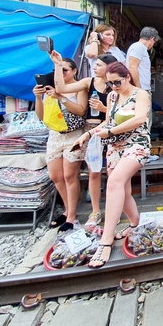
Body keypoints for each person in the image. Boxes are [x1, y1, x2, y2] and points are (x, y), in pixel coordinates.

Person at [75, 62, 152, 268]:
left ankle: (106, 240)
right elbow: (108, 121)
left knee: (114, 183)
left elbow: (139, 119)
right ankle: (135, 223)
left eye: (117, 82)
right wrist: (88, 134)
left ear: (127, 77)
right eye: (110, 83)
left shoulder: (141, 94)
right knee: (122, 191)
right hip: (114, 146)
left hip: (137, 144)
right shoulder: (111, 96)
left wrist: (109, 132)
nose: (114, 86)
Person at [53, 52, 118, 231]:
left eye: (98, 65)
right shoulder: (88, 82)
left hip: (112, 129)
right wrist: (59, 65)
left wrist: (104, 108)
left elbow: (120, 111)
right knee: (94, 171)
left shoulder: (116, 84)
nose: (94, 67)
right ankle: (95, 211)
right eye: (94, 64)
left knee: (113, 172)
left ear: (108, 67)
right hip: (91, 129)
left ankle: (115, 208)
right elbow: (60, 89)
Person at [34, 57, 88, 231]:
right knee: (56, 176)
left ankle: (71, 214)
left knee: (69, 175)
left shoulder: (79, 87)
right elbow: (41, 116)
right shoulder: (50, 89)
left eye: (65, 70)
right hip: (55, 135)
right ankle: (67, 209)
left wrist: (61, 97)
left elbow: (81, 110)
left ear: (74, 71)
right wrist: (38, 98)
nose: (61, 73)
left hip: (73, 134)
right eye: (58, 69)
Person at [126, 26, 160, 93]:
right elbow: (132, 67)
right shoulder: (138, 47)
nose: (153, 44)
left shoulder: (140, 48)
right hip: (140, 88)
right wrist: (138, 88)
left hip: (142, 88)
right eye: (154, 42)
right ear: (152, 39)